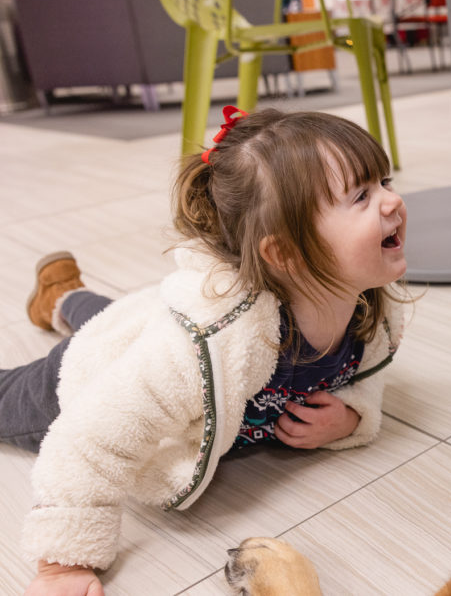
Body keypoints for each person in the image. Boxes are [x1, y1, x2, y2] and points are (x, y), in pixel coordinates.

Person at [6, 107, 409, 595]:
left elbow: (367, 370)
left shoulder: (369, 308)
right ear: (284, 254)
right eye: (362, 196)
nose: (392, 201)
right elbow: (87, 439)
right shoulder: (206, 344)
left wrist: (351, 416)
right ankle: (64, 304)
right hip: (86, 377)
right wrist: (63, 564)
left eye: (383, 181)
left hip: (147, 327)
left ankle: (61, 297)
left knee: (126, 316)